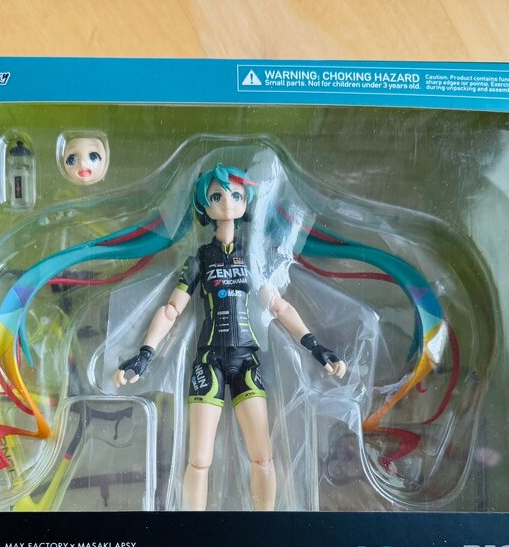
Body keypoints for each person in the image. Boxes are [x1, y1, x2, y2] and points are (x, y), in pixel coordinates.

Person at [115, 164, 346, 510]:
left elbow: (279, 307)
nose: (226, 203)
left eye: (236, 195)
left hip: (246, 361)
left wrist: (315, 346)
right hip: (208, 362)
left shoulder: (252, 260)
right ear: (204, 205)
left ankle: (263, 526)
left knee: (263, 457)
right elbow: (171, 310)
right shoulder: (200, 259)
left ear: (246, 201)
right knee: (199, 460)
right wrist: (145, 355)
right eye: (216, 196)